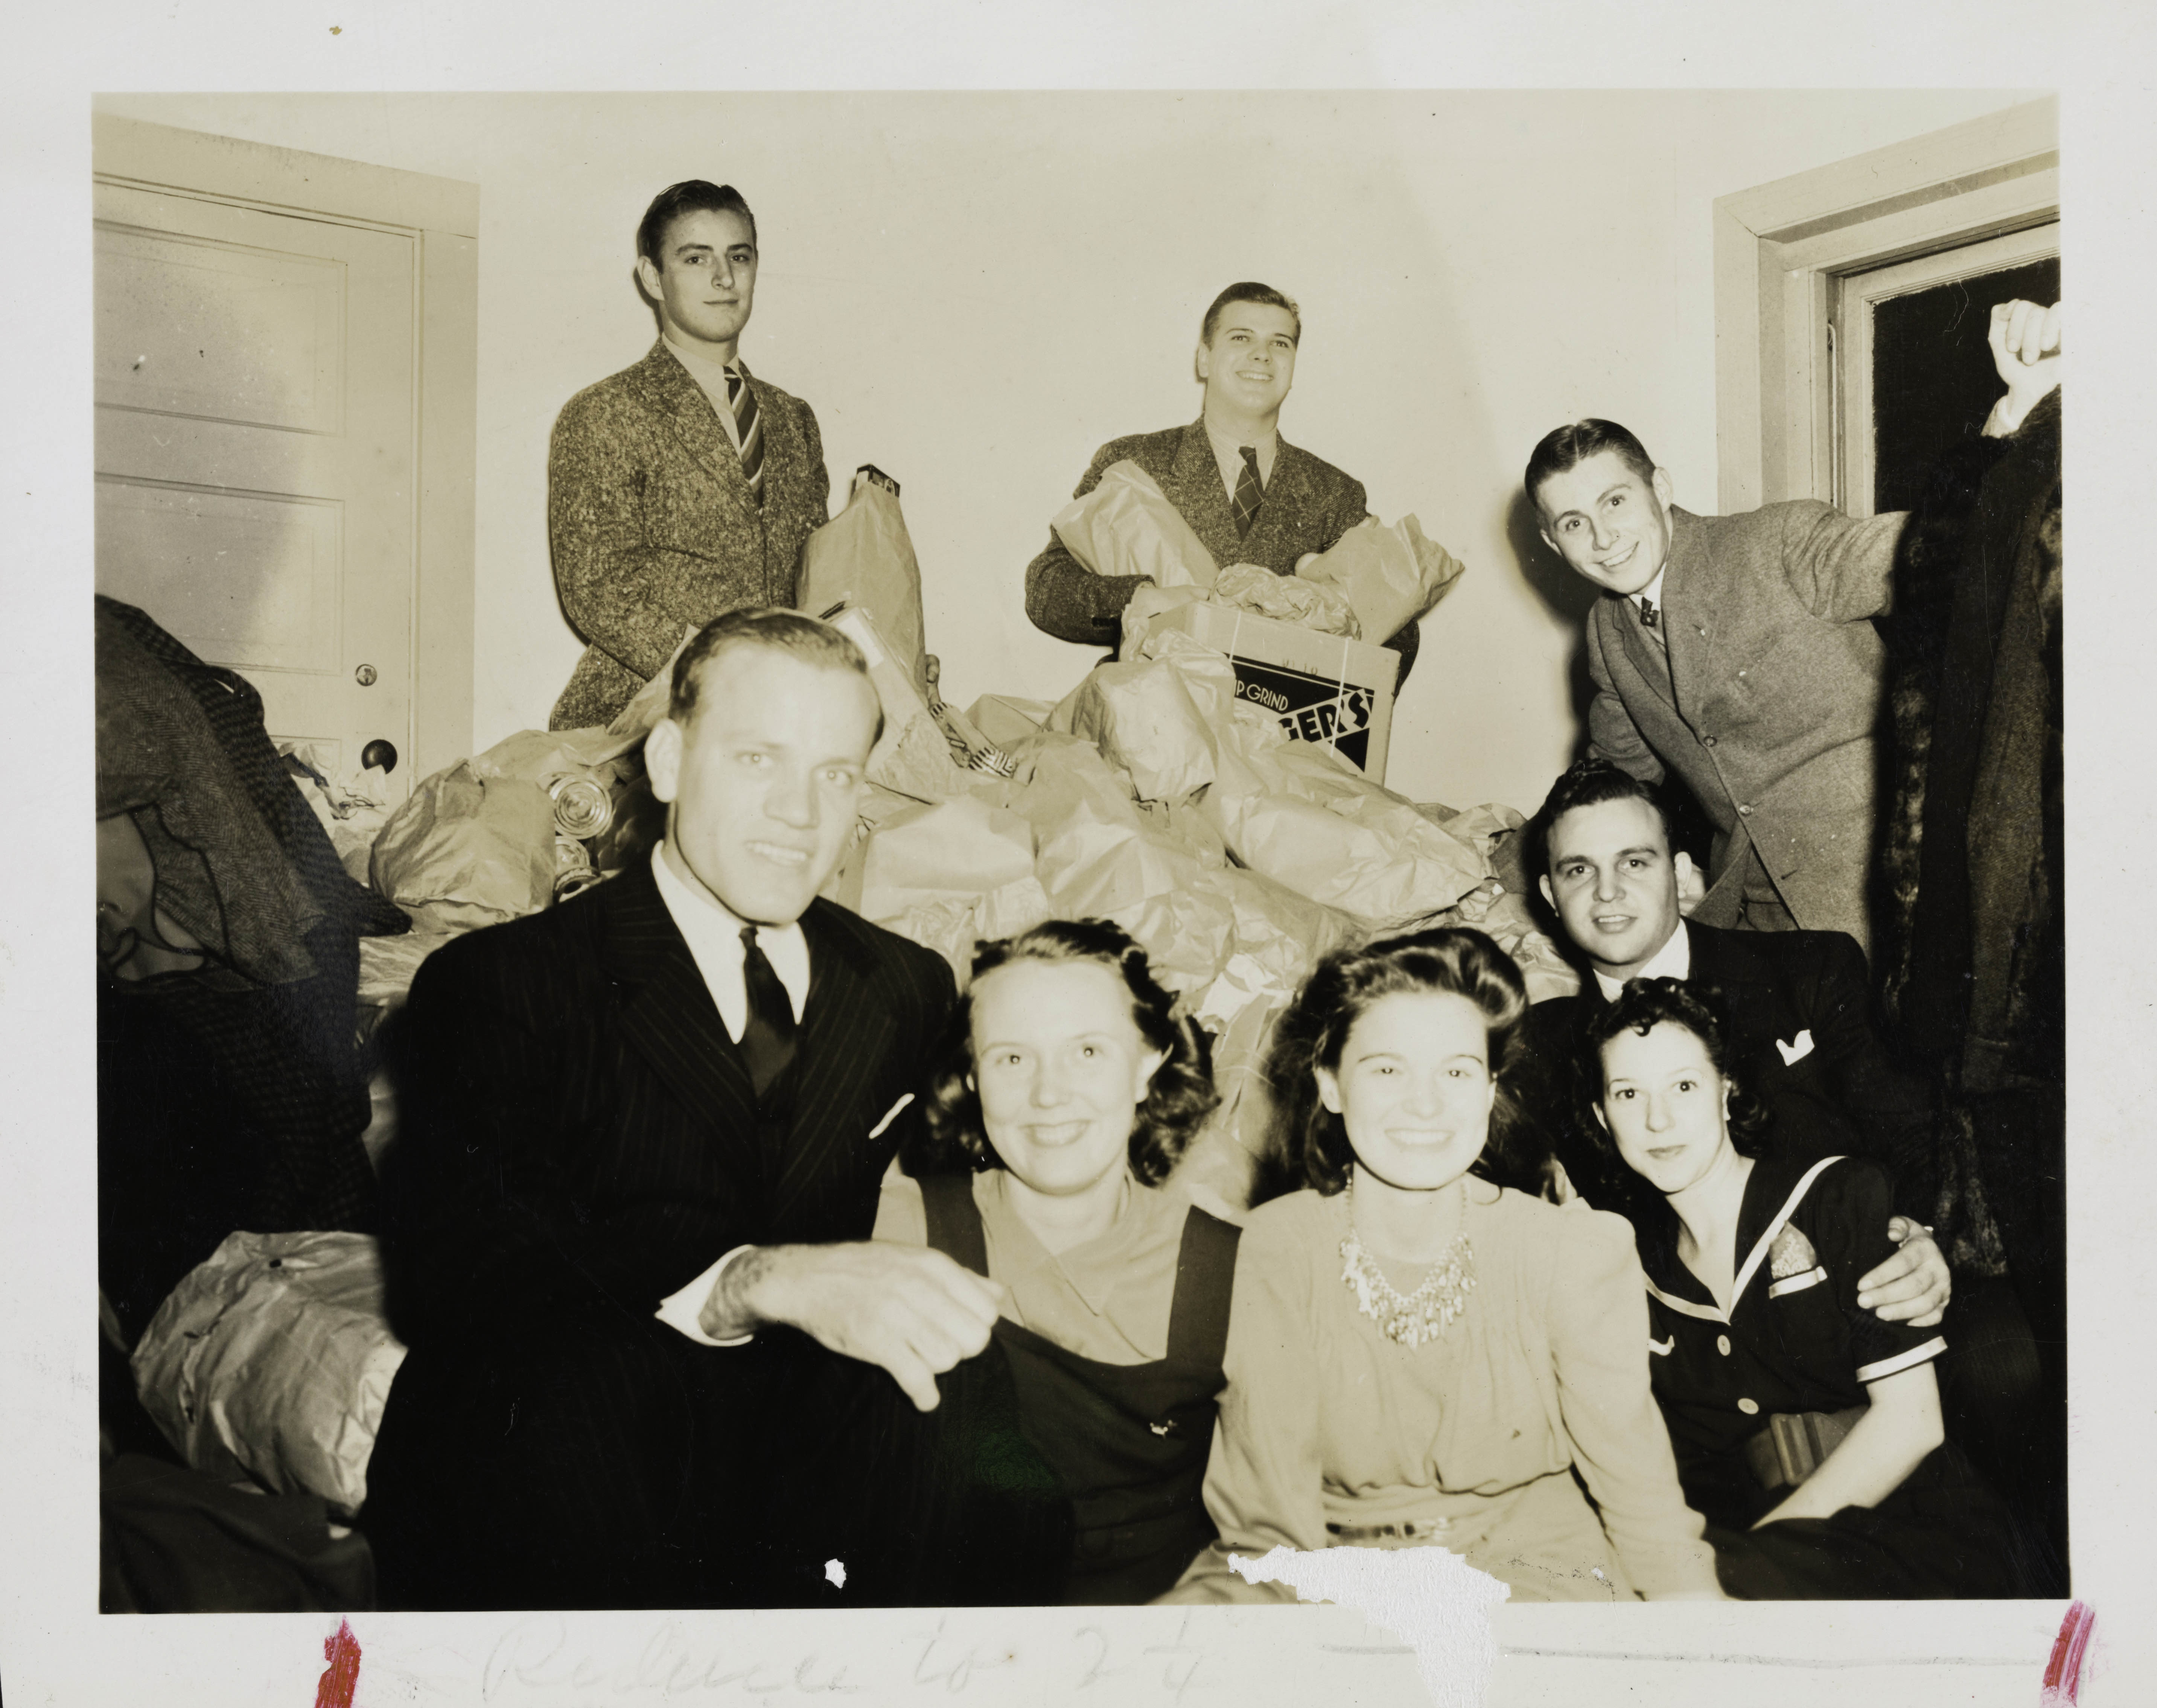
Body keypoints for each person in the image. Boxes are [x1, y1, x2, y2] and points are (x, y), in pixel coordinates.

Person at [366, 609, 1010, 1610]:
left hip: (794, 1478)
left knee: (961, 1387)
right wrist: (752, 1281)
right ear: (667, 761)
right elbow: (468, 1277)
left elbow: (970, 1180)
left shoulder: (900, 984)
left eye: (836, 774)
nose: (801, 813)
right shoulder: (506, 982)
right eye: (759, 757)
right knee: (561, 1403)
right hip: (567, 1484)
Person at [1166, 928, 1722, 1604]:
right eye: (1387, 1069)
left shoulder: (1573, 1254)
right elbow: (1270, 1527)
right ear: (1331, 1087)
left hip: (1536, 1578)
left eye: (1456, 1071)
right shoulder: (1276, 1246)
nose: (1425, 1105)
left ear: (1490, 1091)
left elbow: (1647, 1511)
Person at [1524, 318, 2056, 951]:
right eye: (1574, 523)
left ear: (1659, 488)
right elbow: (1615, 775)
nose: (1604, 538)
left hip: (1884, 896)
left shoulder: (1775, 543)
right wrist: (1522, 863)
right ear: (1552, 542)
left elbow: (1931, 548)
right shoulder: (1606, 632)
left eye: (1615, 502)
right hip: (1749, 910)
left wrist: (2016, 411)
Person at [1580, 979, 2035, 1598]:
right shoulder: (1631, 1275)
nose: (1658, 1118)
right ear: (1603, 1117)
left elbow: (1912, 1423)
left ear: (1726, 1091)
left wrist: (1735, 1570)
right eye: (1629, 1093)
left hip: (1915, 1534)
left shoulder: (1833, 1197)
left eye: (1683, 1085)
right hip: (1757, 1549)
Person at [873, 919, 1238, 1604]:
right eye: (1012, 1058)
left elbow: (1278, 1528)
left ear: (1148, 1063)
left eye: (1088, 1051)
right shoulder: (901, 1232)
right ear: (973, 1076)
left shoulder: (1234, 1273)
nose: (1048, 1095)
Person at [1023, 282, 1419, 682]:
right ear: (1204, 360)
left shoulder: (1334, 492)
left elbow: (1398, 628)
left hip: (1282, 730)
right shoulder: (1133, 463)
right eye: (1241, 337)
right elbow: (1046, 587)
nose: (1262, 354)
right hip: (1150, 712)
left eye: (1280, 343)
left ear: (1293, 367)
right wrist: (1140, 598)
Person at [547, 181, 831, 731]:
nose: (724, 278)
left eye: (739, 257)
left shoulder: (794, 418)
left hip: (774, 721)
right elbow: (596, 588)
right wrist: (720, 679)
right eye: (696, 258)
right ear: (653, 278)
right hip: (640, 725)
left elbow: (816, 580)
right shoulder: (603, 411)